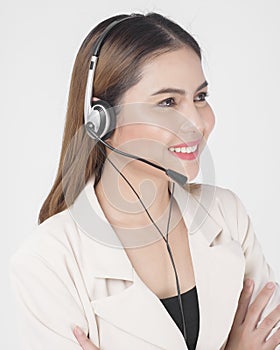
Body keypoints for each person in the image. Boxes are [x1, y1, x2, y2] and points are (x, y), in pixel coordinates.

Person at [9, 12, 280, 350]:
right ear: (101, 120)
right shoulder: (48, 261)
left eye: (200, 97)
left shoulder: (227, 215)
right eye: (167, 102)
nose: (197, 123)